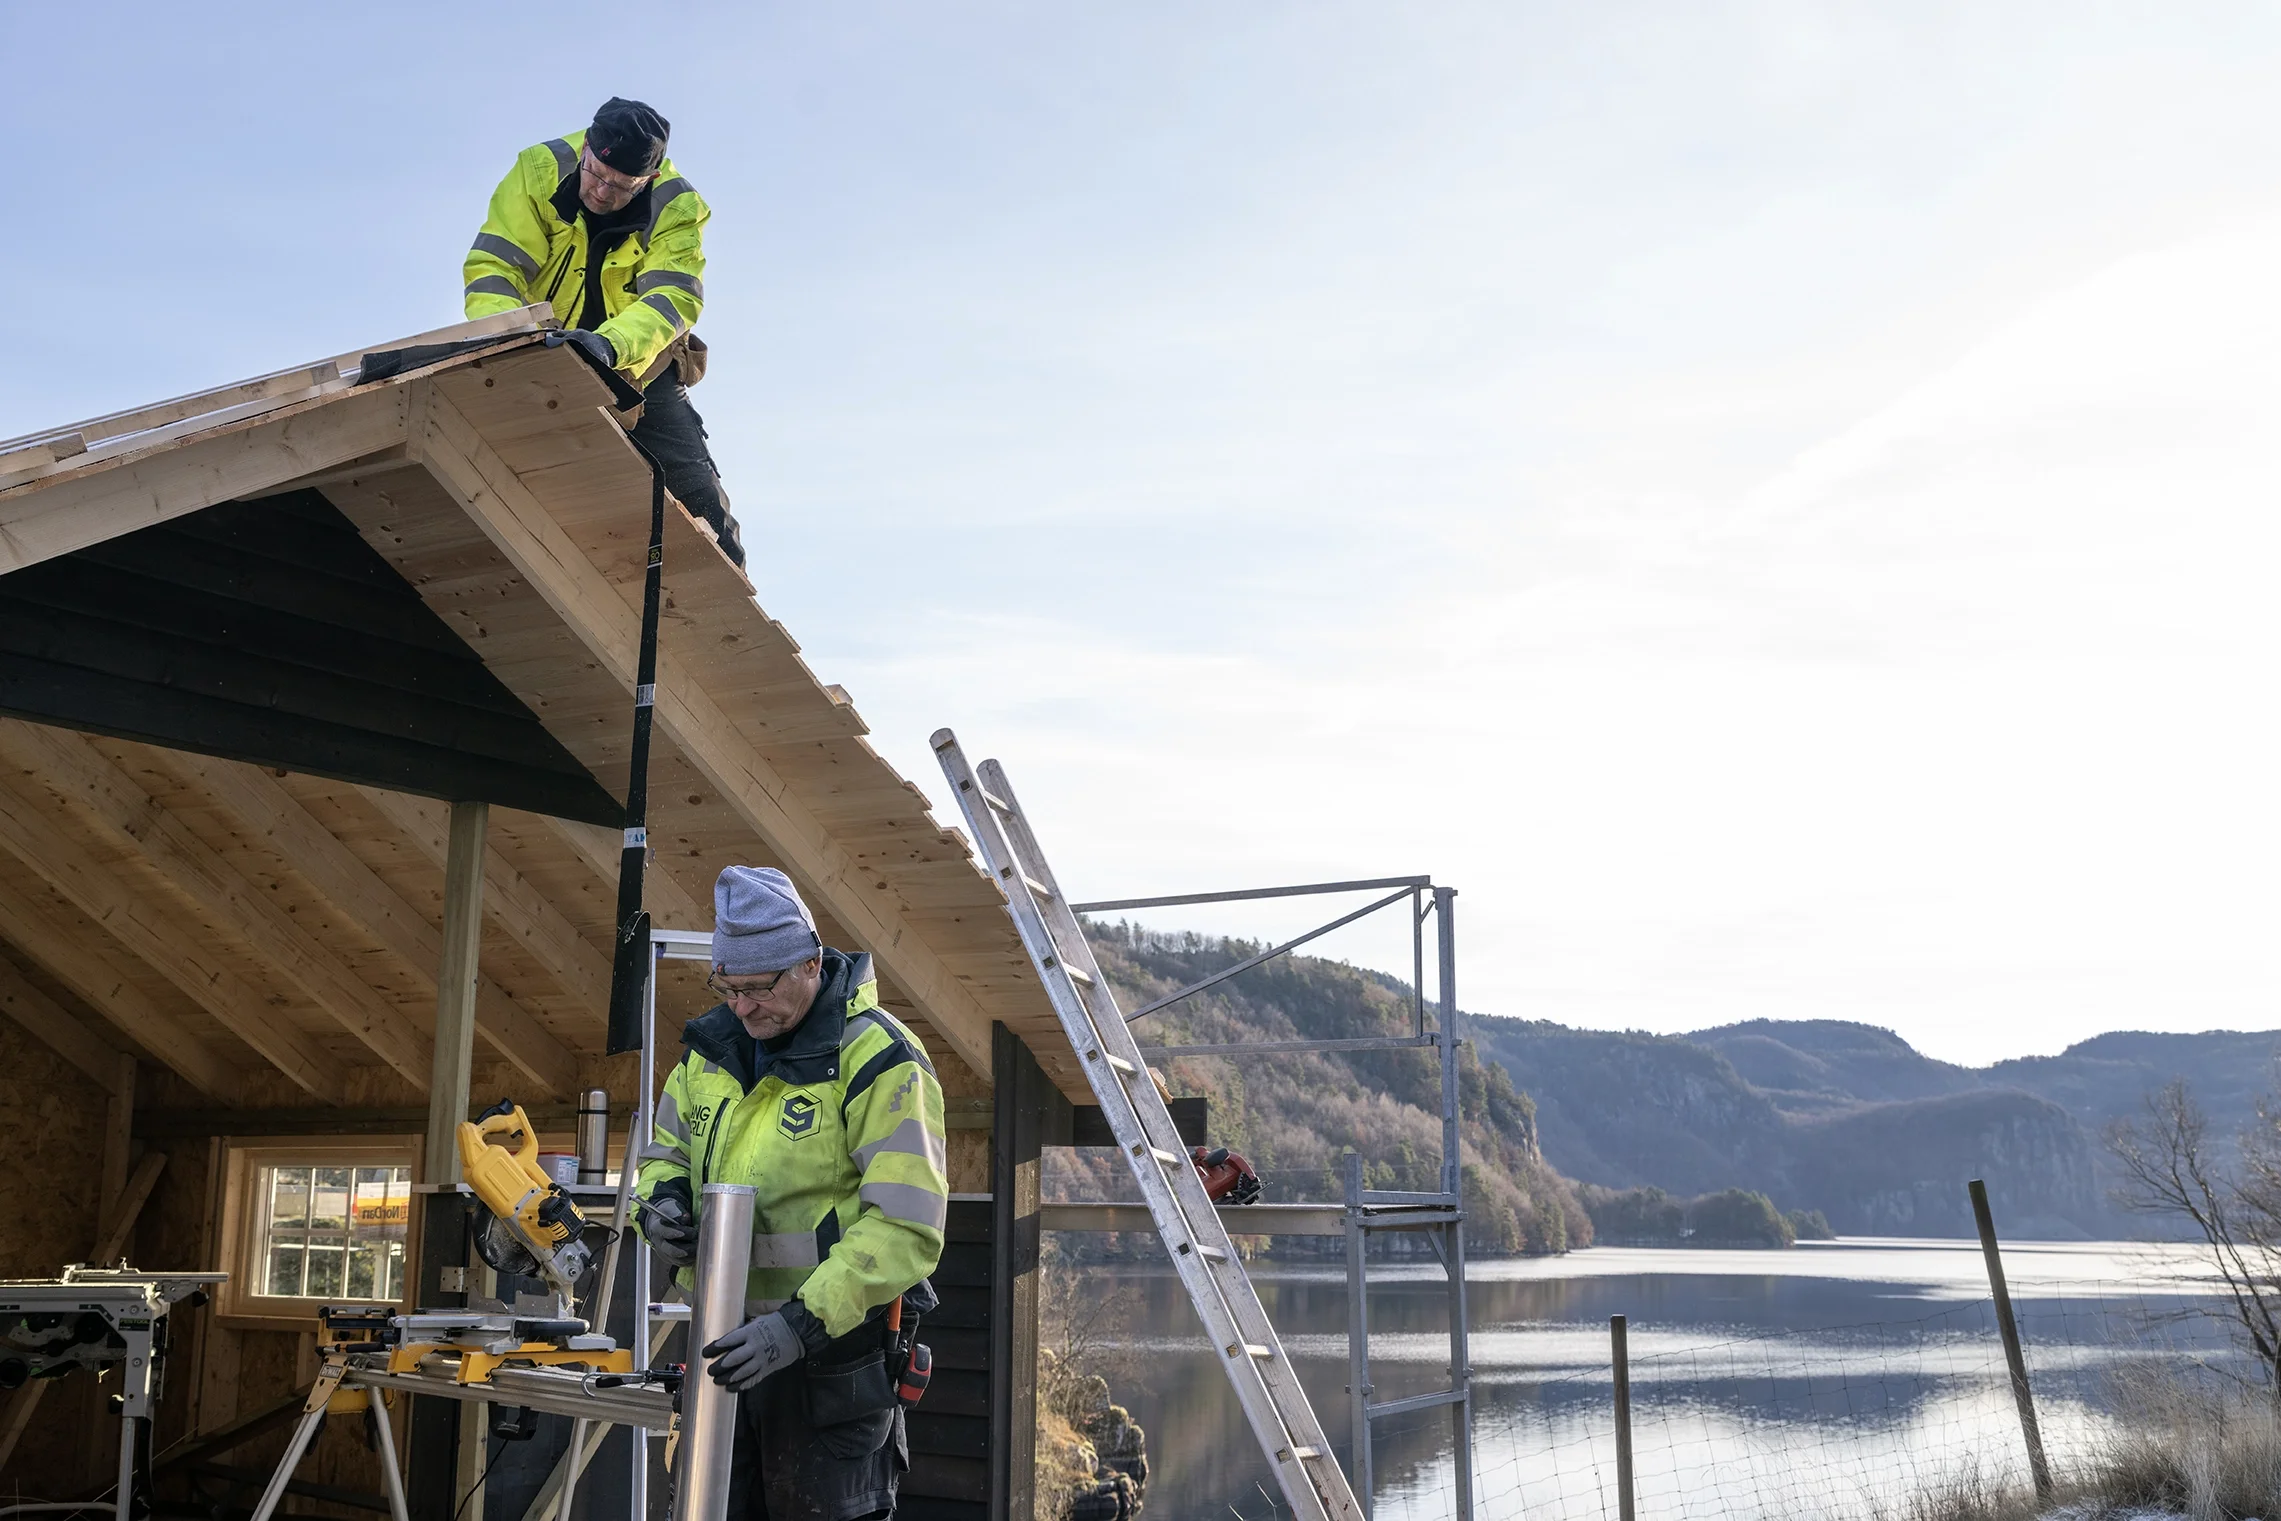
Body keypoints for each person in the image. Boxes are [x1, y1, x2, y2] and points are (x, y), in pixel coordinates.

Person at [636, 865, 949, 1521]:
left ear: (810, 962)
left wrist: (796, 1327)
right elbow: (663, 1155)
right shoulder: (708, 1053)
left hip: (832, 1365)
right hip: (724, 1352)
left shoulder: (877, 1057)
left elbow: (904, 1226)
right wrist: (660, 1207)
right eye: (728, 986)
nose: (743, 1006)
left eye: (758, 987)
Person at [463, 97, 746, 567]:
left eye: (620, 186)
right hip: (538, 352)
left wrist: (609, 347)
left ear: (648, 179)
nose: (600, 192)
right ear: (585, 151)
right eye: (594, 174)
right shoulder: (538, 170)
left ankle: (733, 610)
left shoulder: (677, 205)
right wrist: (513, 339)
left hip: (637, 364)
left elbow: (673, 300)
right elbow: (496, 268)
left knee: (698, 496)